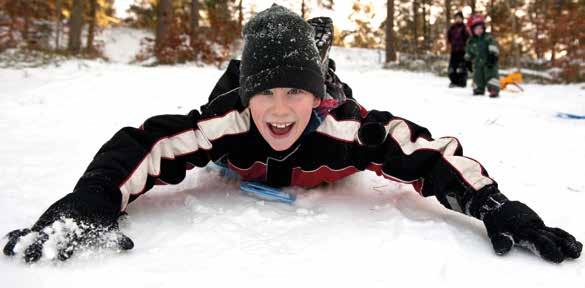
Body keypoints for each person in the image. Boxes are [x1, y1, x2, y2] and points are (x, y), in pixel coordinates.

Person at [3, 5, 581, 264]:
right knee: (231, 82)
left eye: (295, 95)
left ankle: (316, 49)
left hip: (328, 85)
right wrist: (91, 199)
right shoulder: (229, 119)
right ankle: (264, 51)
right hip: (236, 87)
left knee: (321, 76)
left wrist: (499, 208)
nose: (280, 111)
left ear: (317, 101)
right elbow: (144, 144)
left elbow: (430, 156)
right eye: (267, 97)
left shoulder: (349, 127)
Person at [465, 14, 500, 97]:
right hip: (478, 63)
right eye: (476, 29)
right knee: (478, 77)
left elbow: (493, 46)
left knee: (491, 75)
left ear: (483, 28)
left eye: (481, 28)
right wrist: (468, 61)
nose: (479, 30)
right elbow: (469, 52)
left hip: (489, 62)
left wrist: (493, 56)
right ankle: (478, 89)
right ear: (472, 30)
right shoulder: (471, 41)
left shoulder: (488, 37)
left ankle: (493, 89)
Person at [447, 11, 470, 88]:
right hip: (454, 51)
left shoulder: (465, 28)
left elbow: (468, 38)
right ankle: (454, 81)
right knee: (452, 68)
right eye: (456, 18)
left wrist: (466, 47)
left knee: (462, 68)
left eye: (459, 18)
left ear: (462, 19)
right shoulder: (452, 28)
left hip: (462, 51)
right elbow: (449, 38)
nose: (458, 19)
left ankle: (462, 82)